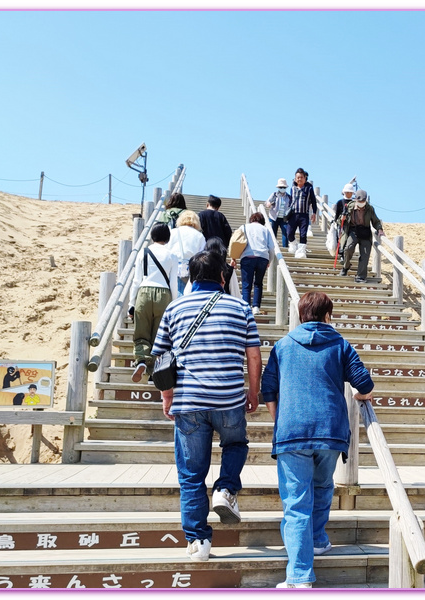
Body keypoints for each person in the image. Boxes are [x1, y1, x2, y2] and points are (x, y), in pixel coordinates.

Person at [154, 250, 262, 562]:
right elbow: (253, 355)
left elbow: (160, 357)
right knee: (236, 444)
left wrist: (167, 397)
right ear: (222, 276)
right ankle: (226, 489)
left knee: (190, 473)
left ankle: (198, 542)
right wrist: (252, 392)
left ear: (190, 276)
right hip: (229, 398)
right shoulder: (240, 307)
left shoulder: (175, 308)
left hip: (189, 402)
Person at [262, 291, 375, 588]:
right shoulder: (340, 344)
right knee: (324, 484)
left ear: (301, 315)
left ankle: (299, 576)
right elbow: (364, 384)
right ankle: (317, 539)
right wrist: (361, 396)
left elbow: (268, 389)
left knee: (296, 502)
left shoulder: (283, 346)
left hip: (291, 432)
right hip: (330, 430)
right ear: (328, 316)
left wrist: (280, 419)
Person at [131, 223, 180, 383]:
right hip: (164, 294)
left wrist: (132, 304)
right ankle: (155, 371)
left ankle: (142, 361)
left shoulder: (142, 253)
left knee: (141, 333)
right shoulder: (172, 255)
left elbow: (136, 280)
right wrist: (173, 304)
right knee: (159, 336)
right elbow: (174, 283)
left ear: (152, 236)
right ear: (168, 237)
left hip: (144, 292)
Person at [340, 189, 385, 283]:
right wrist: (342, 219)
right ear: (356, 200)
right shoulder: (350, 206)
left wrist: (379, 229)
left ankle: (361, 276)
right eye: (359, 201)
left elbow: (375, 221)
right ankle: (346, 266)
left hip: (365, 232)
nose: (361, 203)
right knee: (348, 248)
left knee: (365, 254)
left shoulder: (370, 208)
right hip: (353, 231)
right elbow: (341, 221)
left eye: (363, 201)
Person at [238, 213, 275, 315]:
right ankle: (256, 308)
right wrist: (269, 260)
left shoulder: (244, 227)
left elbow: (236, 241)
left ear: (251, 219)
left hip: (247, 256)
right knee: (258, 283)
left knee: (246, 284)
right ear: (262, 221)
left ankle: (246, 307)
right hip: (263, 257)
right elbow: (271, 247)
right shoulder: (266, 230)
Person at [168, 211, 207, 296]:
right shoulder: (199, 236)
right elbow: (201, 254)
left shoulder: (172, 232)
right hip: (191, 267)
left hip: (173, 264)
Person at [287, 168, 317, 259]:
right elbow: (291, 200)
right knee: (289, 233)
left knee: (303, 234)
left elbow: (314, 201)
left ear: (305, 178)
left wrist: (314, 213)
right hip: (293, 214)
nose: (299, 179)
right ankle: (294, 245)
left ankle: (301, 252)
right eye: (298, 177)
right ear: (295, 178)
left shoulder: (309, 189)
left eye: (301, 177)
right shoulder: (292, 188)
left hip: (304, 215)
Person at [265, 178, 293, 249]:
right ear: (278, 188)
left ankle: (285, 248)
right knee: (272, 234)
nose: (282, 188)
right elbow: (267, 202)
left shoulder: (289, 197)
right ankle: (272, 248)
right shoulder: (274, 195)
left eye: (284, 187)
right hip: (273, 217)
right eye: (281, 187)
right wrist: (269, 204)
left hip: (284, 218)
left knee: (285, 233)